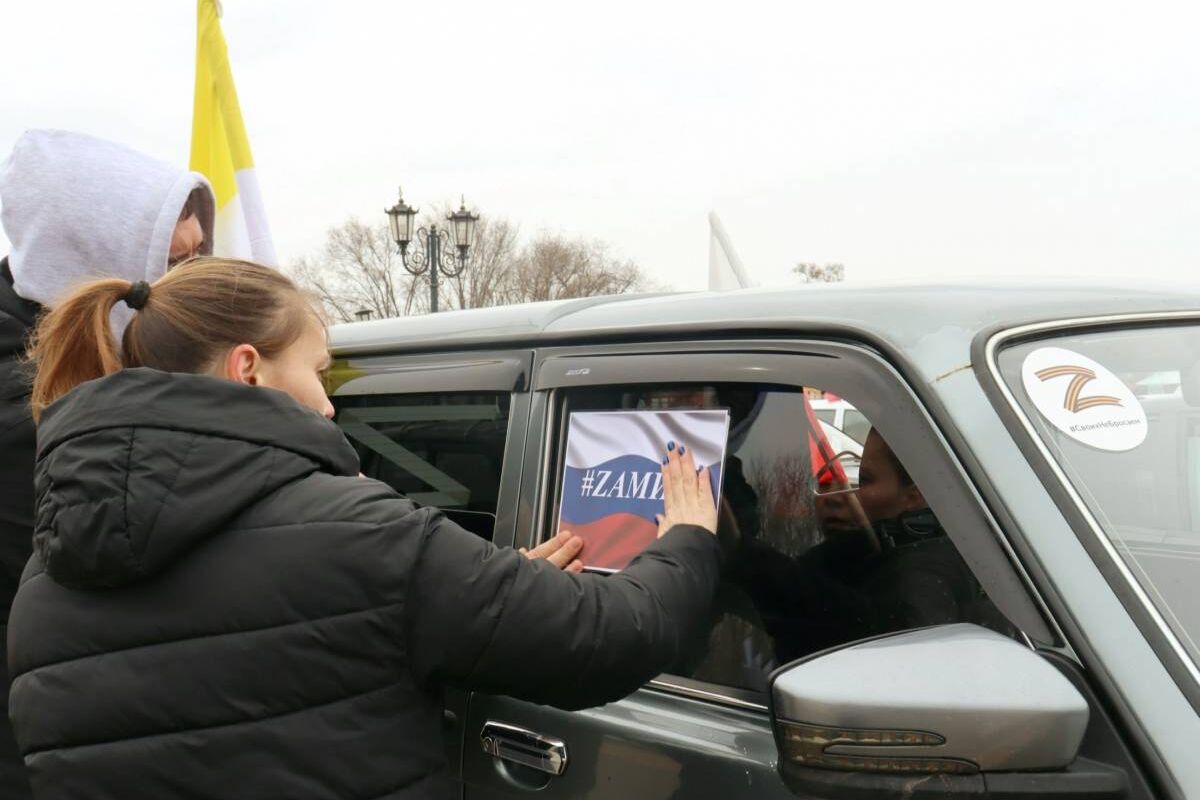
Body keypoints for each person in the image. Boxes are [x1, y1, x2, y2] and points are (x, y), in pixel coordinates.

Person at [6, 257, 722, 800]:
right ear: (248, 368)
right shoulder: (363, 538)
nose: (327, 406)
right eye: (319, 372)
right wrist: (687, 537)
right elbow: (606, 638)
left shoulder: (42, 585)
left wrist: (485, 587)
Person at [0, 129, 216, 798]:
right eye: (171, 262)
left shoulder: (109, 375)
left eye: (199, 259)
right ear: (97, 257)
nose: (187, 288)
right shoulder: (28, 407)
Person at [735, 427, 993, 663]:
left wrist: (735, 549)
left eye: (864, 481)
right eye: (824, 484)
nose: (839, 497)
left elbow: (855, 622)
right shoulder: (874, 555)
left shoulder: (920, 577)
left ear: (914, 496)